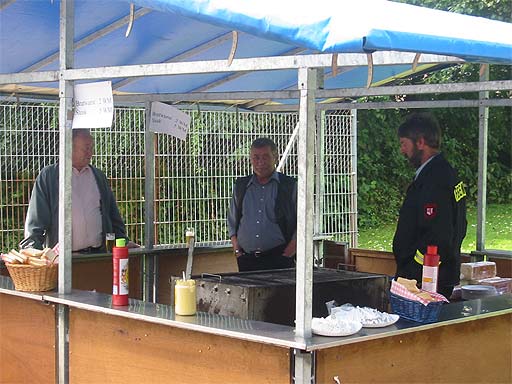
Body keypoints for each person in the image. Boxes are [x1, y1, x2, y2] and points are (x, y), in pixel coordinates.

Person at [20, 129, 137, 252]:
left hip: (98, 254)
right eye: (86, 148)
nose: (90, 153)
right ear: (69, 148)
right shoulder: (49, 176)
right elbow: (36, 219)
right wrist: (33, 251)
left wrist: (123, 240)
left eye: (91, 148)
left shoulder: (98, 176)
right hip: (64, 258)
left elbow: (113, 215)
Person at [393, 112, 467, 299]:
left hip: (426, 282)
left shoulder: (435, 182)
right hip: (436, 275)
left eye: (404, 144)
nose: (402, 150)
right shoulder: (446, 173)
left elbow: (437, 237)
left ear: (420, 142)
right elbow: (460, 225)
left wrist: (413, 271)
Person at [227, 138, 297, 272]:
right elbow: (232, 222)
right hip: (246, 260)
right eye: (256, 157)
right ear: (250, 159)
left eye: (265, 157)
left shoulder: (289, 186)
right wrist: (237, 251)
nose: (260, 162)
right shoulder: (241, 186)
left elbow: (302, 226)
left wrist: (287, 255)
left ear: (275, 157)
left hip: (279, 259)